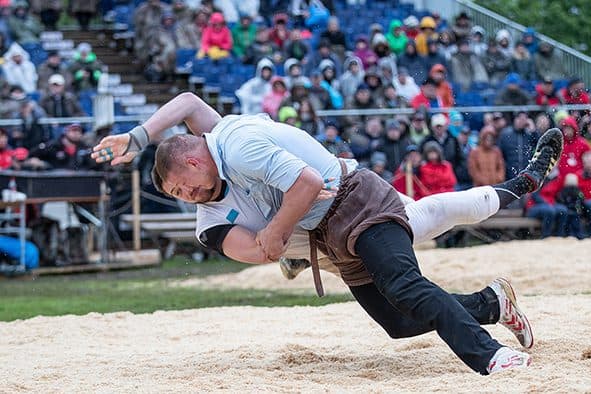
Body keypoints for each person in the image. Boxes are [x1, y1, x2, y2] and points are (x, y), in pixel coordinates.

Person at [92, 92, 565, 374]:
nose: (186, 196)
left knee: (415, 257)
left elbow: (304, 184)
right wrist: (282, 239)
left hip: (354, 200)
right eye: (178, 193)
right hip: (327, 237)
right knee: (399, 321)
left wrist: (136, 137)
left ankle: (490, 354)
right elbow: (257, 250)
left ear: (195, 161)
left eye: (182, 186)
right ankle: (491, 302)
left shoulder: (232, 144)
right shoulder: (211, 214)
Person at [498, 111, 539, 180]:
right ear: (515, 119)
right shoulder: (505, 134)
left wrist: (533, 131)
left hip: (527, 175)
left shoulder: (530, 134)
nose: (521, 121)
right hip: (510, 176)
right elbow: (500, 155)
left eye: (524, 119)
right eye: (519, 118)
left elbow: (539, 146)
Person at [556, 173, 585, 238]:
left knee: (571, 220)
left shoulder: (564, 190)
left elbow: (561, 199)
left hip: (569, 209)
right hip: (574, 210)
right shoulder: (578, 191)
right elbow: (581, 199)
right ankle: (576, 234)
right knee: (575, 221)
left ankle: (569, 233)